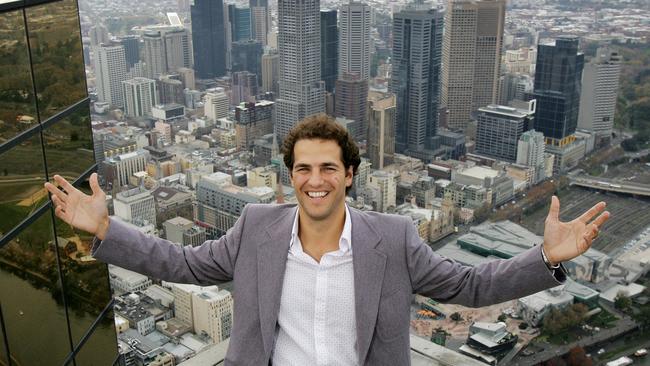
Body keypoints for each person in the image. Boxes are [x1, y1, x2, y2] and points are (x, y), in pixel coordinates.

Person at [44, 115, 609, 365]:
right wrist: (105, 228)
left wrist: (545, 258)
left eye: (329, 168)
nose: (316, 180)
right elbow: (184, 264)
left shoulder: (394, 236)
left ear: (350, 175)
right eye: (304, 168)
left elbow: (468, 285)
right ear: (290, 175)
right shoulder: (256, 228)